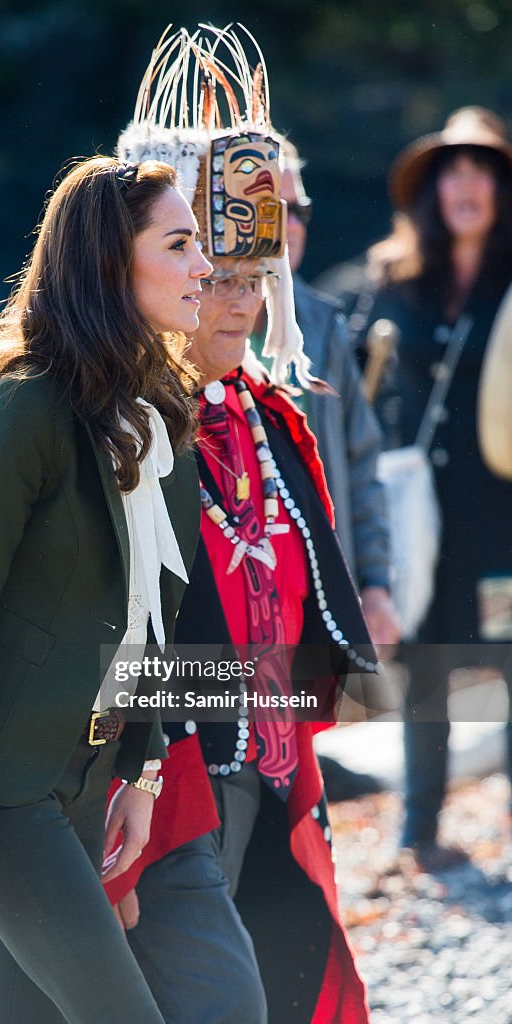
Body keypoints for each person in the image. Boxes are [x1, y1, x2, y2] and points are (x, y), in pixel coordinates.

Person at [0, 154, 213, 1023]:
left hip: (81, 781)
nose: (205, 267)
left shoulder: (161, 414)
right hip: (3, 788)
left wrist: (139, 775)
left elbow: (155, 620)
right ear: (113, 262)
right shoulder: (24, 407)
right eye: (180, 244)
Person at [106, 26, 378, 1024]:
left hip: (264, 763)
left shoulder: (265, 418)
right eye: (213, 276)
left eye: (254, 279)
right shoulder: (117, 423)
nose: (239, 302)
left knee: (272, 977)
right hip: (155, 778)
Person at [318, 107, 512, 870]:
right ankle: (419, 834)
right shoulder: (394, 280)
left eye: (481, 171)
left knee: (506, 653)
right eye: (451, 173)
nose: (464, 185)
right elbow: (355, 392)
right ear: (431, 192)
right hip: (419, 514)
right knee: (425, 660)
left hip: (501, 511)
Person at [250, 140, 399, 654]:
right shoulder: (182, 320)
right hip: (224, 600)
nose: (290, 223)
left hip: (312, 594)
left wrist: (376, 586)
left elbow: (361, 465)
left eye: (301, 210)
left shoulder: (323, 322)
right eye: (273, 207)